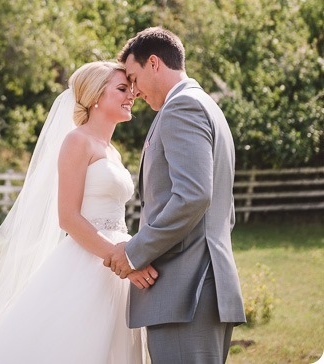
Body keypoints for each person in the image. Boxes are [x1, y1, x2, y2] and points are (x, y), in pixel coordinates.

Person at [0, 61, 157, 364]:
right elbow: (68, 217)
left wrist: (130, 255)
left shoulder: (112, 151)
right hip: (90, 259)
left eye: (131, 89)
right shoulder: (77, 141)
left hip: (119, 259)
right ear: (96, 96)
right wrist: (117, 257)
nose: (131, 94)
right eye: (122, 88)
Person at [104, 27, 246, 364]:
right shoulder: (204, 105)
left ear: (154, 63)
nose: (134, 91)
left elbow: (194, 197)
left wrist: (136, 251)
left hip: (187, 294)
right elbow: (224, 211)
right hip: (202, 287)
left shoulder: (182, 108)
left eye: (134, 78)